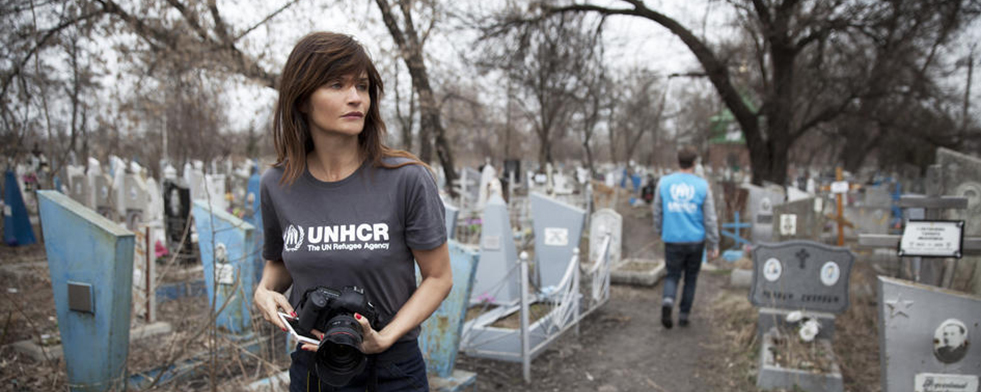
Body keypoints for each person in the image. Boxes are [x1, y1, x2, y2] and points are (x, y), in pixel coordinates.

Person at [253, 32, 452, 391]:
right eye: (336, 84)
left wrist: (386, 336)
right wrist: (264, 291)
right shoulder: (277, 184)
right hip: (312, 367)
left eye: (362, 86)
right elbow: (279, 263)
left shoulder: (407, 179)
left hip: (392, 372)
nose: (355, 98)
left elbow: (438, 277)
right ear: (301, 100)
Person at [652, 146, 720, 329]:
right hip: (695, 241)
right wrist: (714, 243)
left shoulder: (664, 183)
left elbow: (657, 211)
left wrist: (660, 230)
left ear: (678, 161)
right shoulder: (702, 186)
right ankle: (683, 315)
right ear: (694, 163)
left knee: (672, 276)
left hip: (672, 238)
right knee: (691, 278)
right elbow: (710, 218)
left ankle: (667, 301)